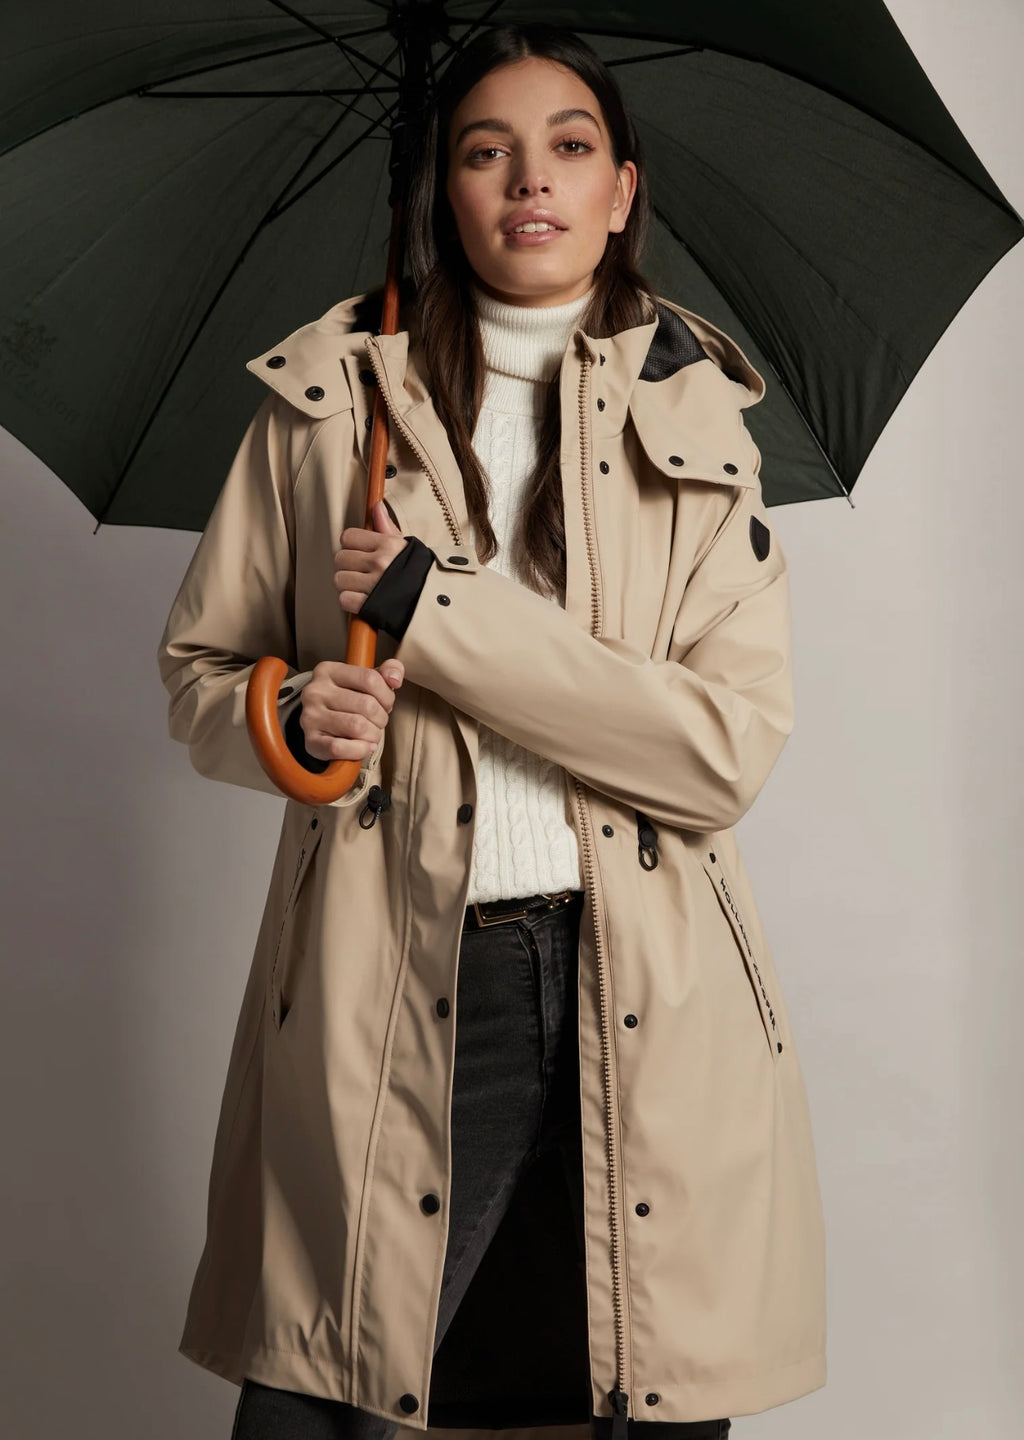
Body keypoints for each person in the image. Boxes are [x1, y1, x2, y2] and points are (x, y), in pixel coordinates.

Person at [157, 23, 827, 1440]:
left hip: (638, 976)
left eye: (570, 146)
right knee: (328, 1398)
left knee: (628, 1391)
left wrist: (432, 612)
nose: (532, 180)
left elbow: (719, 755)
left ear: (622, 189)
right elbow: (203, 676)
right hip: (381, 964)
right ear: (443, 188)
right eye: (487, 150)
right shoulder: (327, 403)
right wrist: (290, 712)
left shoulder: (700, 418)